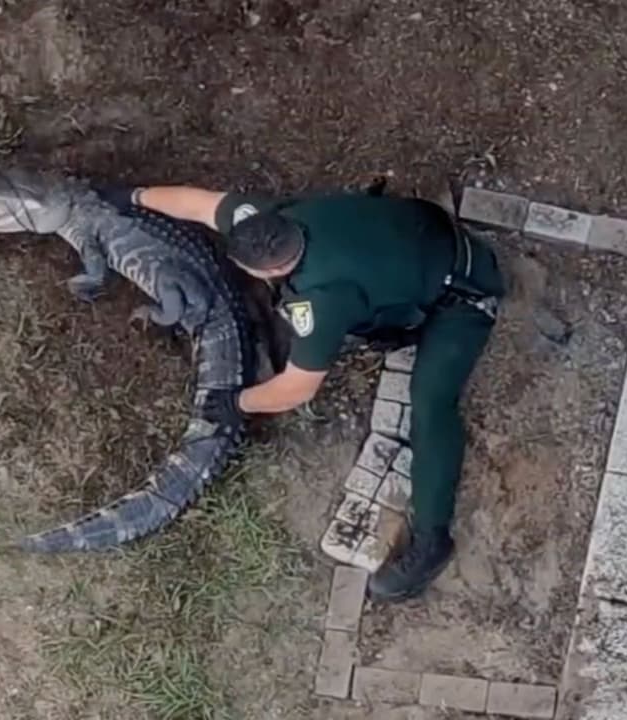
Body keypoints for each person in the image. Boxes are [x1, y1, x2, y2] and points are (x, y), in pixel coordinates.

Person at [101, 182, 504, 601]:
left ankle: (431, 541)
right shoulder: (269, 216)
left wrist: (238, 402)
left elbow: (297, 390)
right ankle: (395, 306)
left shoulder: (319, 304)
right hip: (417, 235)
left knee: (430, 404)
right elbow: (197, 204)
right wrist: (131, 196)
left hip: (463, 293)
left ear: (270, 270)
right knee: (373, 285)